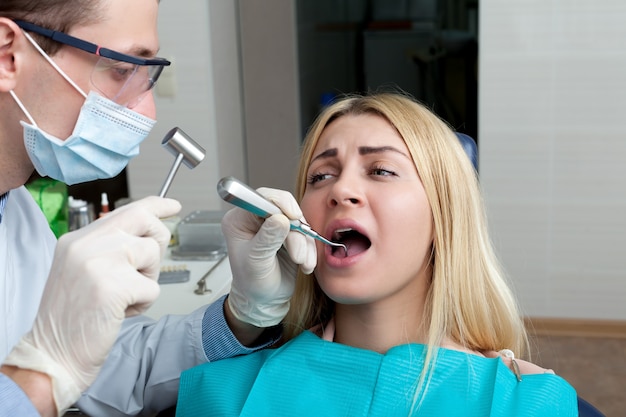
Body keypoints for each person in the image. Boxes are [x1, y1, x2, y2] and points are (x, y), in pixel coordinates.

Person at [0, 1, 315, 416]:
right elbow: (60, 368)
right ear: (8, 56)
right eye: (121, 69)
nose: (148, 112)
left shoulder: (18, 215)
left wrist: (243, 315)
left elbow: (105, 371)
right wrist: (44, 375)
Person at [175, 92, 578, 416]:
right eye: (320, 176)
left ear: (445, 213)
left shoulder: (529, 401)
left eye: (381, 170)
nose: (339, 190)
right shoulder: (221, 394)